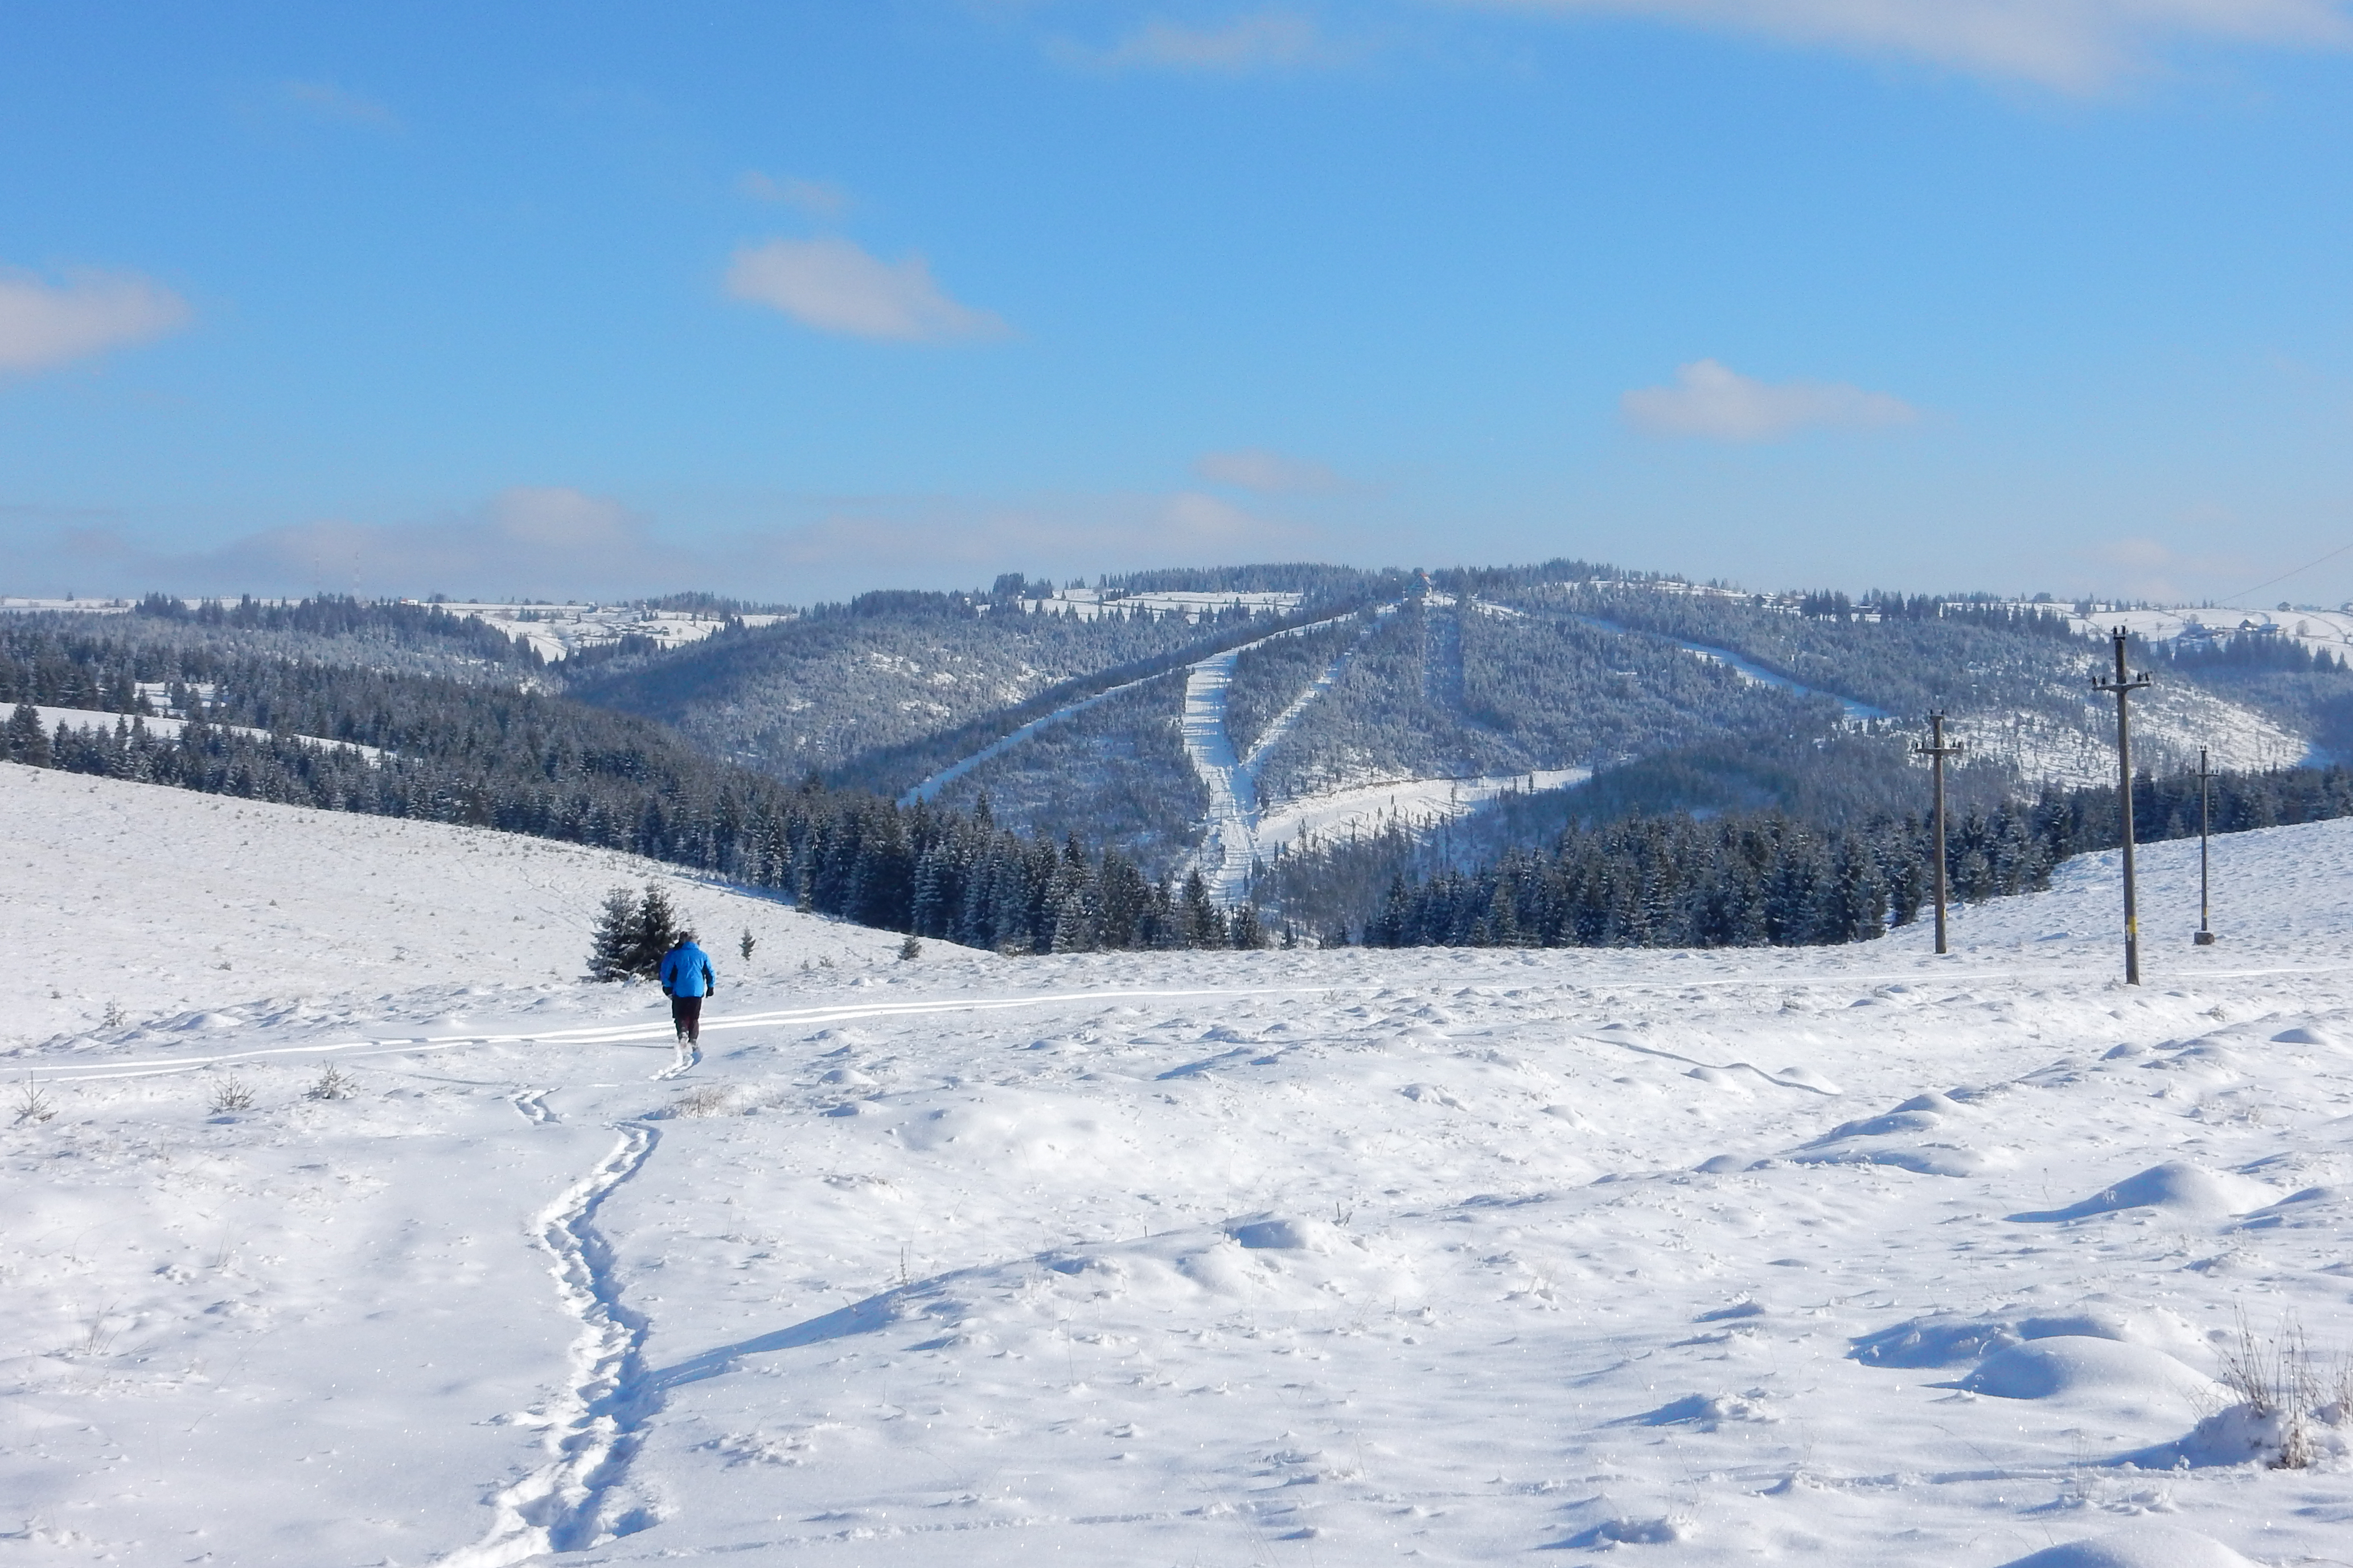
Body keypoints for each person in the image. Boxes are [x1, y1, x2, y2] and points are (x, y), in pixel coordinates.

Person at [658, 930, 715, 1057]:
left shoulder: (676, 955)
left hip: (680, 990)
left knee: (680, 1015)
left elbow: (667, 972)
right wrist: (710, 986)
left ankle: (683, 1032)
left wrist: (667, 986)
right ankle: (693, 1039)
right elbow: (710, 972)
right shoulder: (702, 955)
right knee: (694, 1017)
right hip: (697, 991)